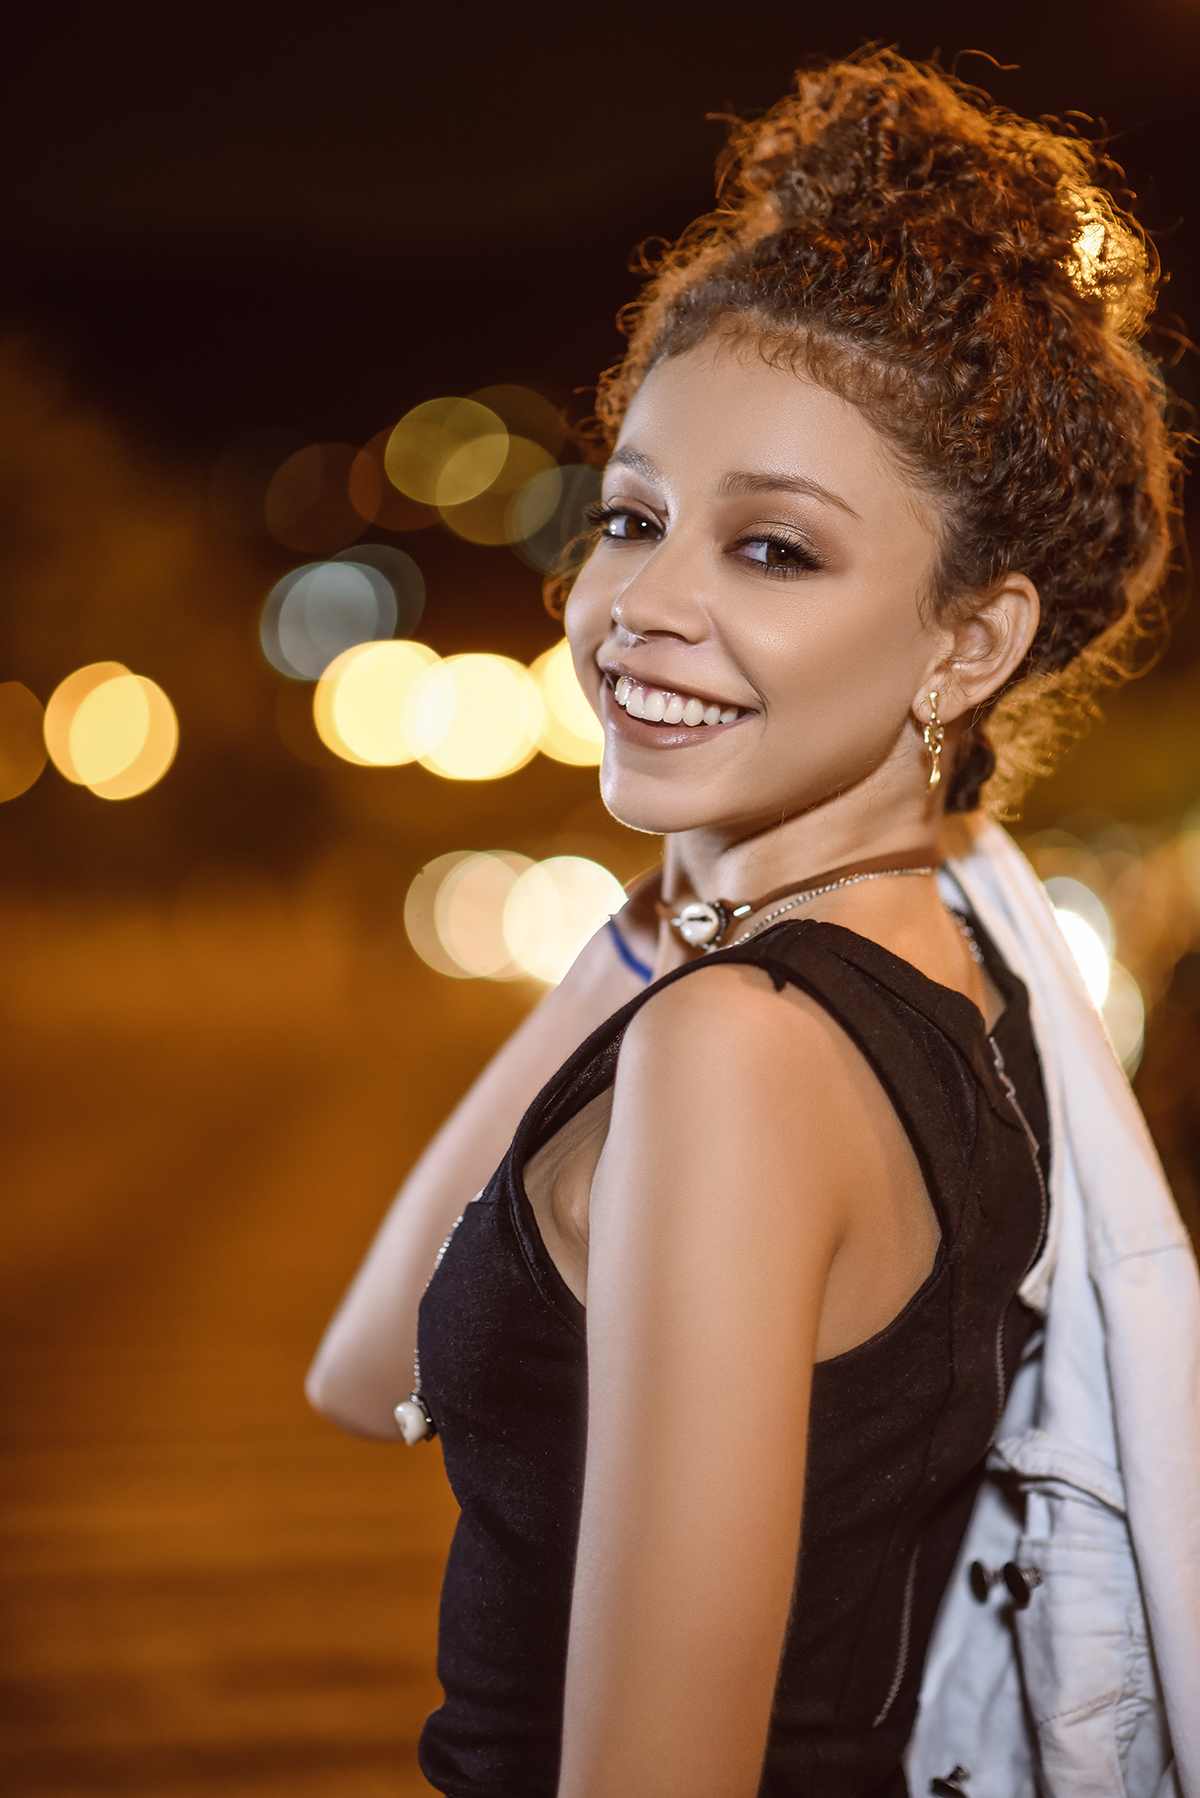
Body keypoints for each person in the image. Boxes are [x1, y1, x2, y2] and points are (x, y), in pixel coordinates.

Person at [307, 52, 1198, 1798]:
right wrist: (654, 927)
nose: (642, 606)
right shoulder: (933, 968)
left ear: (970, 644)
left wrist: (686, 964)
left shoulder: (743, 1053)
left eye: (775, 550)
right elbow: (366, 1368)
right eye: (632, 516)